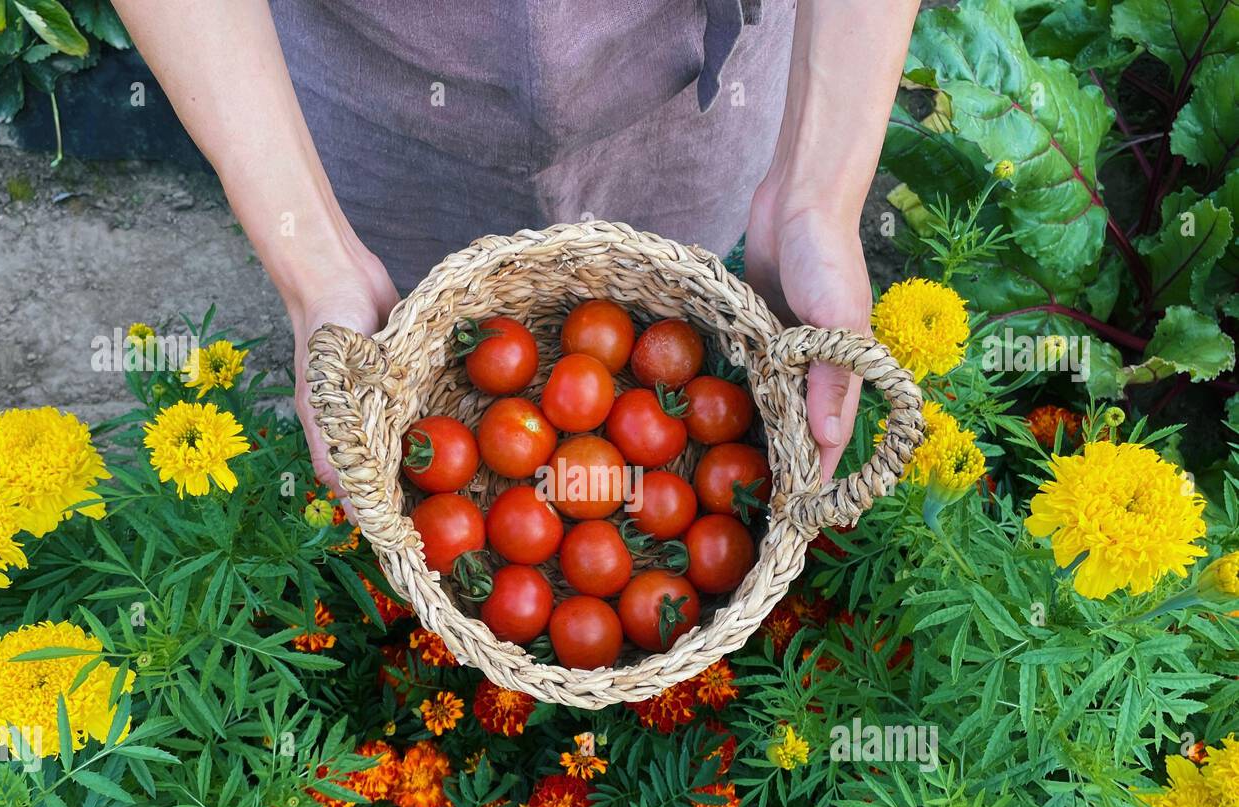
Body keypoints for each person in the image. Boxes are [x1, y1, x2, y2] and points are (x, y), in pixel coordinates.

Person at [113, 0, 920, 490]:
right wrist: (316, 263)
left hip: (691, 86)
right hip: (374, 79)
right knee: (408, 363)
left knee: (674, 310)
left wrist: (818, 187)